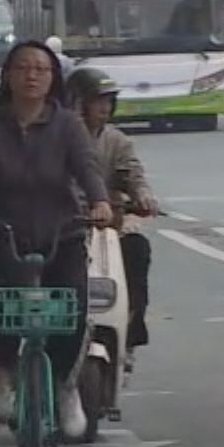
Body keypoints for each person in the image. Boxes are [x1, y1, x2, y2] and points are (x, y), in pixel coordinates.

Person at [0, 41, 113, 438]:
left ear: (53, 78)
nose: (32, 75)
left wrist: (100, 202)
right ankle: (1, 381)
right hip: (5, 230)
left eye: (41, 68)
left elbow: (87, 168)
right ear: (7, 75)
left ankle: (66, 387)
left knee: (71, 308)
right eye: (23, 67)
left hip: (64, 230)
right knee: (5, 305)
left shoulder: (68, 125)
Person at [65, 68, 159, 356]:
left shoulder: (117, 141)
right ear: (76, 102)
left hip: (106, 229)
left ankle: (129, 335)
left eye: (108, 101)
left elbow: (133, 174)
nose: (104, 108)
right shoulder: (54, 138)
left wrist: (142, 197)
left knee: (137, 251)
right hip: (62, 229)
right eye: (96, 100)